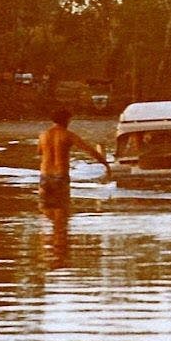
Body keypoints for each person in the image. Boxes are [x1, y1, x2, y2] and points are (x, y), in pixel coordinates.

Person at [36, 108, 108, 267]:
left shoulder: (43, 135)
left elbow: (39, 152)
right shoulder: (68, 135)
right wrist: (105, 163)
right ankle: (60, 245)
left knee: (47, 213)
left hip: (44, 177)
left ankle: (52, 246)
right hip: (60, 177)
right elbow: (88, 150)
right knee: (61, 217)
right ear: (66, 120)